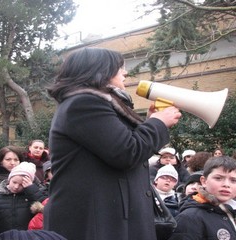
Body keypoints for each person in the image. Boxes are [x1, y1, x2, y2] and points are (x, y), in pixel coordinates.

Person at [43, 47, 182, 240]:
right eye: (119, 68)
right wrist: (158, 123)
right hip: (97, 222)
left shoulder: (91, 103)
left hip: (106, 218)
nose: (125, 72)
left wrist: (152, 121)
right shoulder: (83, 104)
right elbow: (127, 152)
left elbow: (122, 143)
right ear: (100, 70)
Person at [168, 156, 236, 240]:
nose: (226, 184)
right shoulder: (189, 218)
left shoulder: (232, 211)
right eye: (218, 178)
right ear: (204, 181)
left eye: (233, 180)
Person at [0, 162, 47, 237]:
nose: (16, 187)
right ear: (9, 179)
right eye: (14, 182)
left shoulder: (31, 195)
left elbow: (45, 207)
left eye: (21, 184)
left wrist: (31, 189)